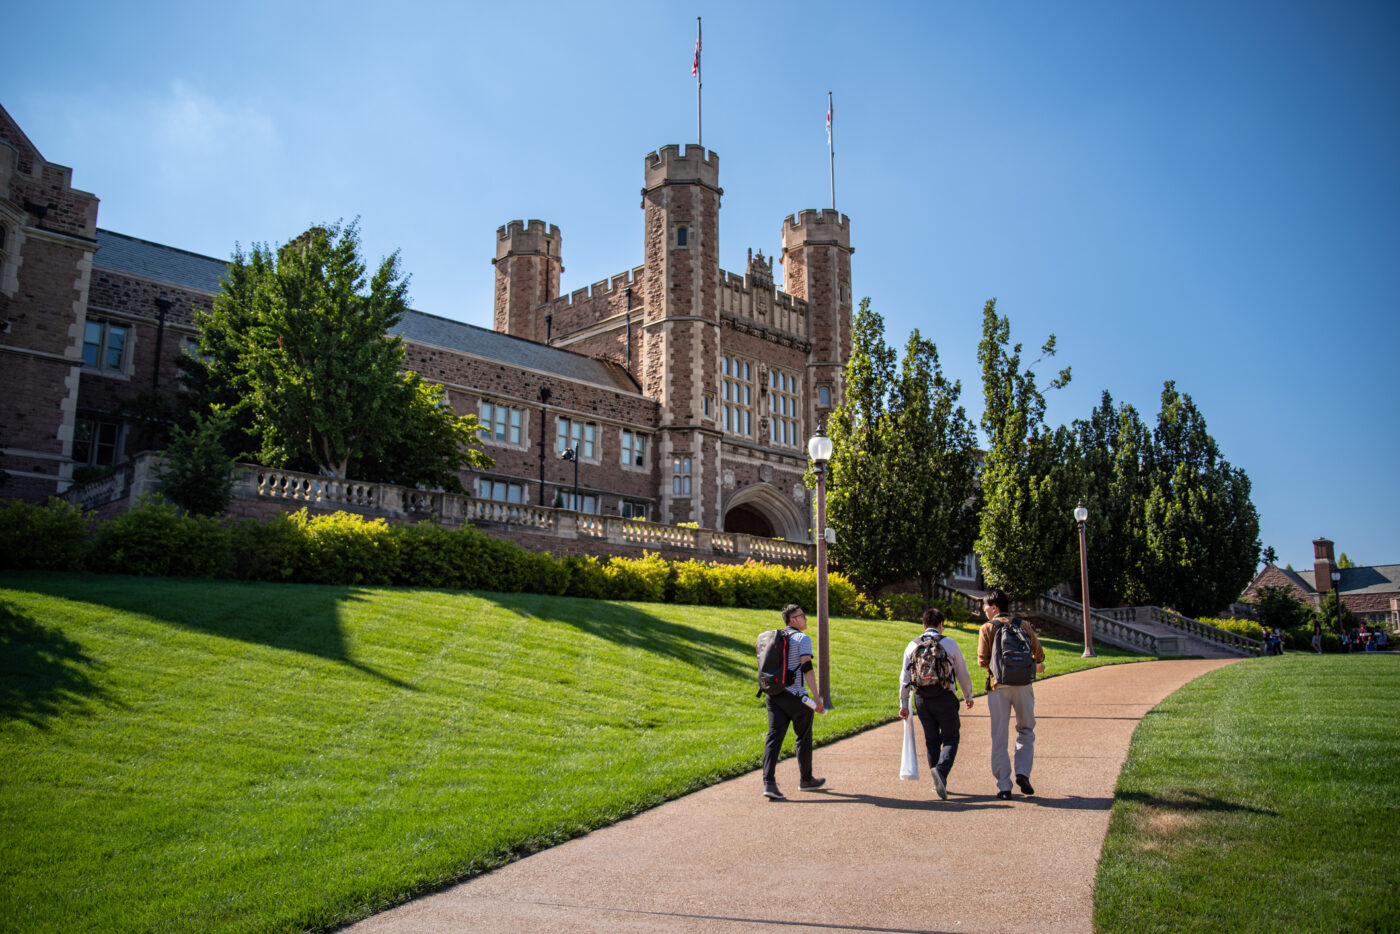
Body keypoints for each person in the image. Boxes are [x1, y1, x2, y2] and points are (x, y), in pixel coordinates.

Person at [976, 589, 1046, 801]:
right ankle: (1023, 773)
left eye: (985, 606)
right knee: (1025, 730)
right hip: (1023, 685)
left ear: (994, 607)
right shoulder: (1022, 625)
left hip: (998, 687)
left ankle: (1004, 786)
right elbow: (1039, 655)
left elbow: (982, 661)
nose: (984, 610)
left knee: (999, 735)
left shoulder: (987, 627)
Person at [899, 607, 975, 800]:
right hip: (945, 696)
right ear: (941, 625)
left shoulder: (912, 645)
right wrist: (968, 695)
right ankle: (941, 772)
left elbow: (904, 678)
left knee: (931, 740)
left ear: (923, 626)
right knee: (951, 737)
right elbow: (962, 673)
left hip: (922, 698)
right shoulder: (949, 643)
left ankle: (937, 782)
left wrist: (904, 704)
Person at [761, 604, 826, 800]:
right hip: (796, 696)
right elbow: (807, 667)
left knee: (774, 737)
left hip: (773, 693)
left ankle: (769, 783)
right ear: (792, 620)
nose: (805, 619)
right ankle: (806, 780)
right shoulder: (802, 638)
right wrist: (817, 697)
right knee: (803, 737)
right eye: (802, 616)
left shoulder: (776, 639)